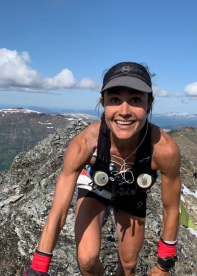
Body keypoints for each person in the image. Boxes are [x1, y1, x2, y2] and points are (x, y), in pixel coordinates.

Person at [24, 62, 181, 276]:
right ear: (103, 103)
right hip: (95, 187)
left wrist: (164, 264)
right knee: (87, 260)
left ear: (149, 105)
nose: (124, 112)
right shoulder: (85, 144)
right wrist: (39, 267)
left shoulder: (164, 149)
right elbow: (58, 210)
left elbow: (170, 208)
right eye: (115, 100)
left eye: (135, 100)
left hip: (132, 191)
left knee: (128, 265)